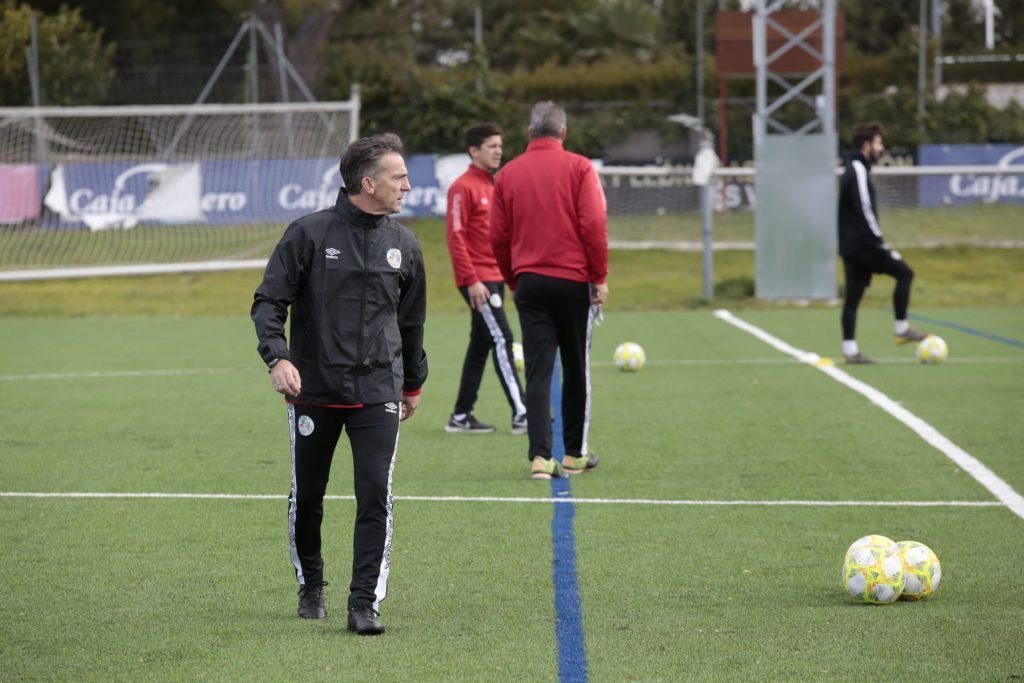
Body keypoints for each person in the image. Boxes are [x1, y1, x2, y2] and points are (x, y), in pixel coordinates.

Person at [251, 133, 427, 636]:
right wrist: (277, 357)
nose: (407, 186)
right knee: (308, 496)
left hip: (379, 391)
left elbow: (412, 323)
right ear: (368, 183)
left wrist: (412, 383)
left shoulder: (405, 244)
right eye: (398, 177)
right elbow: (269, 302)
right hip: (315, 390)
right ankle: (311, 584)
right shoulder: (308, 234)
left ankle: (364, 602)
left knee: (375, 494)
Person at [490, 101, 609, 480]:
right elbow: (593, 223)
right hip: (573, 281)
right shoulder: (579, 167)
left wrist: (513, 279)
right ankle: (574, 454)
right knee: (576, 367)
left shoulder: (508, 173)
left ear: (530, 133)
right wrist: (599, 276)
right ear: (564, 133)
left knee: (538, 371)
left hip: (530, 281)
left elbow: (498, 236)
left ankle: (541, 458)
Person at [444, 122, 528, 436]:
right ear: (473, 151)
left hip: (497, 279)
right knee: (503, 338)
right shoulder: (461, 187)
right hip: (478, 282)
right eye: (492, 146)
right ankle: (523, 413)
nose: (498, 151)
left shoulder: (496, 186)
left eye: (500, 146)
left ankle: (461, 416)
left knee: (480, 345)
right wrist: (471, 279)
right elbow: (455, 237)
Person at [838, 122, 926, 364]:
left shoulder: (854, 167)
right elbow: (864, 207)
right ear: (866, 145)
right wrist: (878, 240)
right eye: (878, 143)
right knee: (905, 273)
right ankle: (901, 328)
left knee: (853, 298)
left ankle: (850, 351)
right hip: (865, 244)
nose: (881, 147)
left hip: (851, 246)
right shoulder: (858, 169)